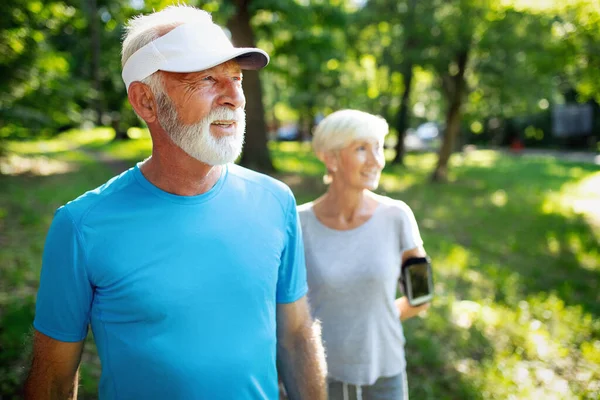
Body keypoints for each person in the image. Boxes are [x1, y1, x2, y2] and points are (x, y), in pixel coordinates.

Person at [23, 5, 326, 400]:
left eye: (236, 77)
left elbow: (296, 335)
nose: (235, 97)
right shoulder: (81, 226)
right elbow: (53, 383)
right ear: (146, 102)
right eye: (206, 78)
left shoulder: (276, 201)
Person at [297, 109, 431, 400]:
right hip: (319, 377)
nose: (376, 160)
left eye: (378, 147)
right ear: (330, 158)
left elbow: (422, 296)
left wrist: (376, 319)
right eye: (361, 149)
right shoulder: (298, 223)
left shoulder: (398, 216)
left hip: (385, 375)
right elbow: (284, 310)